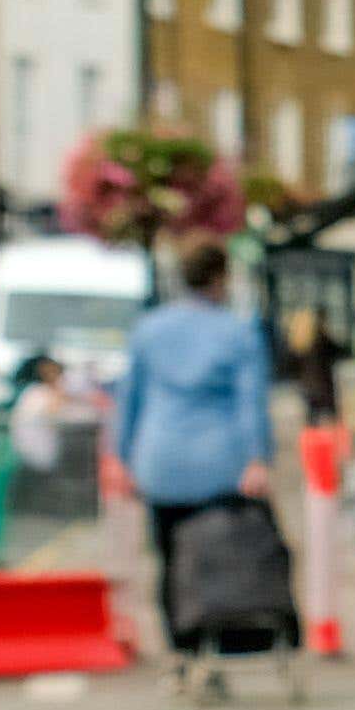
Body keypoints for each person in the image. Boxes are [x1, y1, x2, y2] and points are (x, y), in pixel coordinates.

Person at [115, 237, 278, 635]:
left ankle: (180, 649)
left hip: (160, 463)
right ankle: (216, 642)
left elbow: (129, 399)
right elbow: (250, 403)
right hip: (220, 465)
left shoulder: (148, 329)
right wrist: (258, 458)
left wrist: (120, 457)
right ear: (222, 278)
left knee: (170, 558)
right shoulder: (238, 333)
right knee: (222, 559)